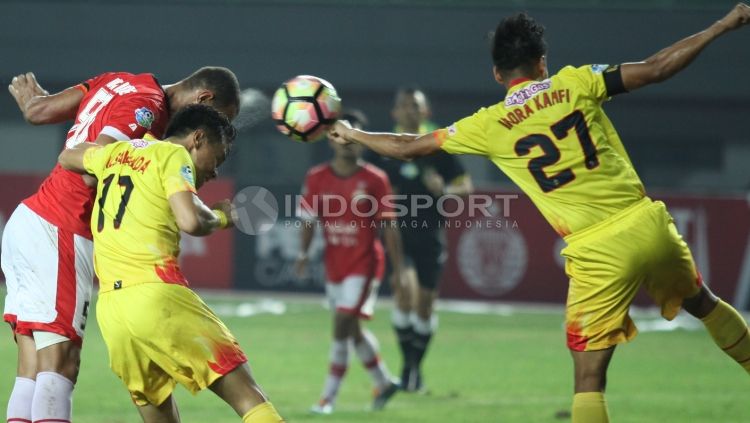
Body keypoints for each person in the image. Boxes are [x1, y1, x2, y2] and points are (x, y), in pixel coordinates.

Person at [327, 4, 750, 422]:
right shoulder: (578, 81)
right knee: (705, 303)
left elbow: (407, 146)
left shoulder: (489, 123)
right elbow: (657, 67)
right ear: (542, 63)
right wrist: (722, 25)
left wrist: (354, 133)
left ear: (497, 75)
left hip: (596, 249)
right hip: (648, 223)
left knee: (589, 381)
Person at [3, 67, 240, 423]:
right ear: (204, 100)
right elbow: (95, 161)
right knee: (60, 364)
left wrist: (32, 97)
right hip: (62, 224)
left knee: (32, 368)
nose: (209, 128)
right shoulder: (148, 107)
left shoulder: (123, 80)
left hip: (33, 218)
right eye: (216, 120)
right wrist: (154, 165)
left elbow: (38, 112)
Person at [57, 104, 283, 422]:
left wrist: (109, 152)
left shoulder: (116, 154)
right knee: (249, 397)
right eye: (216, 159)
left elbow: (67, 157)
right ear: (198, 138)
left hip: (113, 310)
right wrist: (222, 217)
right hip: (156, 294)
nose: (215, 171)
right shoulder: (173, 155)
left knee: (159, 415)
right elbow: (190, 221)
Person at [295, 110, 404, 414]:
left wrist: (399, 271)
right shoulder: (316, 177)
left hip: (365, 264)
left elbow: (390, 227)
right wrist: (303, 254)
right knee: (352, 329)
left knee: (341, 323)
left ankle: (327, 398)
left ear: (362, 142)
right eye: (338, 134)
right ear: (330, 139)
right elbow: (307, 219)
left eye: (352, 136)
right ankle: (384, 382)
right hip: (335, 265)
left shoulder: (375, 180)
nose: (345, 141)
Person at [364, 87, 473, 392]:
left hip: (431, 235)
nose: (409, 110)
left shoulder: (439, 146)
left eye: (415, 105)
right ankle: (408, 368)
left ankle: (414, 369)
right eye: (403, 106)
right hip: (398, 235)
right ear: (394, 114)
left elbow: (465, 186)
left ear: (425, 112)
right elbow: (367, 187)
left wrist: (444, 191)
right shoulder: (384, 146)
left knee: (425, 307)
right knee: (404, 293)